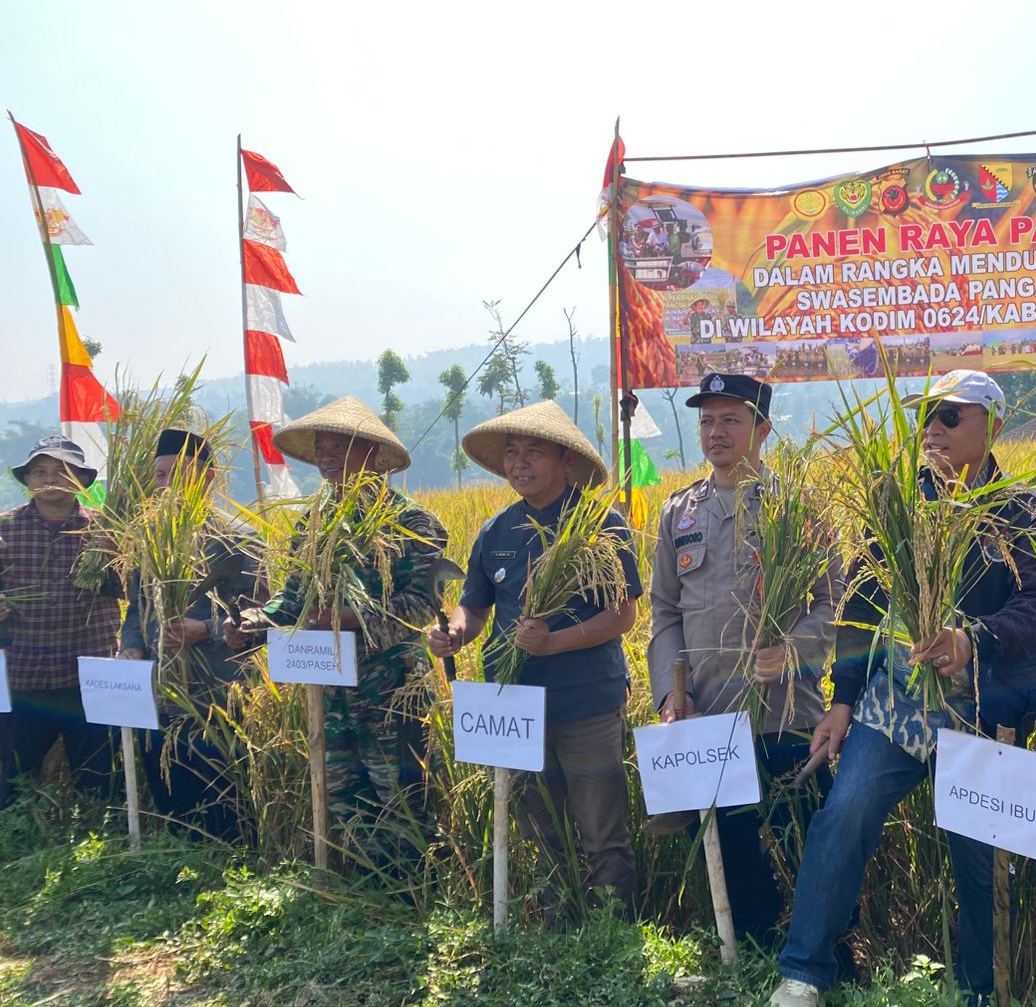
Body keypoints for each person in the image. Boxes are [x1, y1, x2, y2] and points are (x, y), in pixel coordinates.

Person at [766, 370, 1036, 1007]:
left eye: (949, 415)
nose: (932, 428)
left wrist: (974, 639)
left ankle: (977, 1000)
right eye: (925, 417)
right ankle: (803, 975)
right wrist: (843, 700)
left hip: (979, 709)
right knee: (843, 814)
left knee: (979, 853)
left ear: (992, 424)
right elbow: (860, 605)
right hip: (896, 703)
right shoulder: (898, 507)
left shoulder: (1025, 512)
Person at [648, 372, 845, 948]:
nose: (716, 432)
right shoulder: (679, 514)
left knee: (808, 835)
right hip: (709, 712)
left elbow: (834, 597)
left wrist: (795, 650)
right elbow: (663, 611)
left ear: (761, 429)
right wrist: (669, 692)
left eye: (730, 420)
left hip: (785, 711)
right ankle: (755, 948)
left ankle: (828, 953)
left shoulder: (796, 506)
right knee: (728, 845)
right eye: (706, 420)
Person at [429, 402, 641, 911]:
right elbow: (475, 609)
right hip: (515, 707)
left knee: (601, 826)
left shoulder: (600, 525)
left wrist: (554, 642)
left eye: (534, 452)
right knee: (538, 826)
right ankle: (556, 927)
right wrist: (455, 633)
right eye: (511, 452)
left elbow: (623, 615)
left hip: (586, 702)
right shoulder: (495, 531)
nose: (519, 463)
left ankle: (613, 930)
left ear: (567, 462)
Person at [229, 397, 446, 872]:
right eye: (320, 450)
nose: (326, 459)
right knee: (344, 794)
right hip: (332, 689)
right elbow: (294, 596)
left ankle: (415, 896)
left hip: (392, 689)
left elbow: (420, 607)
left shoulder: (415, 523)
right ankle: (362, 891)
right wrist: (256, 620)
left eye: (337, 448)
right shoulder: (314, 522)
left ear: (370, 453)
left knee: (403, 798)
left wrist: (348, 617)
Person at [118, 429, 263, 839]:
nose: (166, 485)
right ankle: (178, 871)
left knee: (223, 804)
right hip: (160, 693)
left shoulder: (238, 540)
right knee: (172, 801)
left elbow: (264, 613)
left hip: (217, 696)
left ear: (209, 478)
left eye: (178, 473)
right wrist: (131, 645)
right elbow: (135, 608)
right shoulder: (146, 540)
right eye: (160, 475)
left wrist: (208, 629)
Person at [0, 436, 120, 806]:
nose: (50, 480)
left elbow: (136, 590)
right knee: (10, 781)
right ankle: (18, 851)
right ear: (28, 480)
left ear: (80, 481)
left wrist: (116, 560)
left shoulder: (107, 532)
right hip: (22, 678)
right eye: (40, 472)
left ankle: (97, 851)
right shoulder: (4, 529)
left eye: (62, 471)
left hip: (88, 676)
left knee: (98, 781)